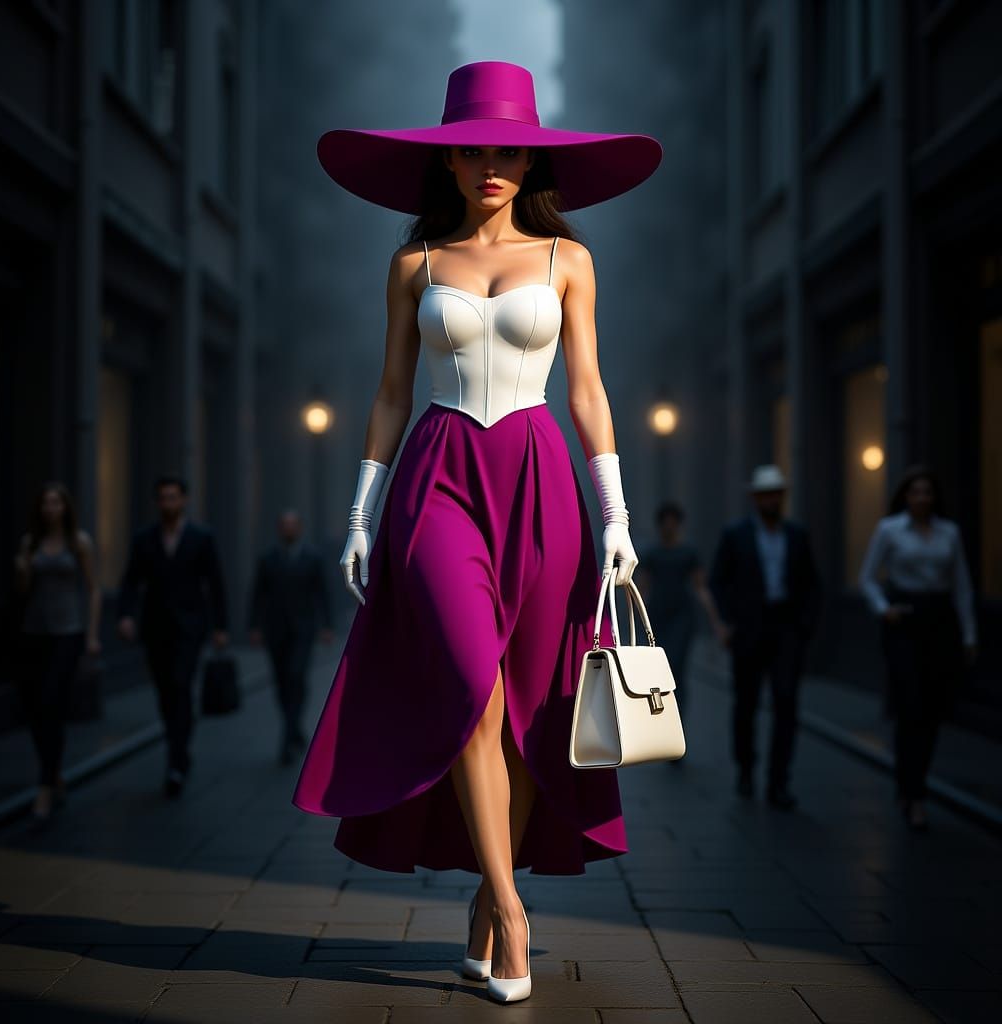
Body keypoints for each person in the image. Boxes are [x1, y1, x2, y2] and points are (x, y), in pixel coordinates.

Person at [292, 61, 662, 1003]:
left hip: (543, 481)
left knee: (534, 702)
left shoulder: (568, 260)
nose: (491, 162)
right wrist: (359, 513)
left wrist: (616, 514)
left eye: (508, 148)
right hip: (438, 478)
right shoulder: (413, 264)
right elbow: (387, 393)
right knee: (470, 682)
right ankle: (510, 907)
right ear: (447, 160)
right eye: (472, 147)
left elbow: (586, 391)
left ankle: (484, 912)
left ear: (529, 158)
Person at [858, 464, 977, 831]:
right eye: (916, 491)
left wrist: (969, 635)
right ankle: (912, 791)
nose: (922, 498)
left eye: (928, 492)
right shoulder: (889, 529)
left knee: (932, 709)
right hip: (904, 621)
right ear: (905, 496)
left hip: (939, 622)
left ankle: (914, 783)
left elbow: (961, 586)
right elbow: (867, 578)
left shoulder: (950, 533)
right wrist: (884, 609)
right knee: (910, 705)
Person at [708, 464, 822, 810]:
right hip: (749, 629)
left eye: (776, 493)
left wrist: (805, 626)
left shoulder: (797, 534)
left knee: (786, 703)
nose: (771, 499)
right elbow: (717, 581)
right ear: (755, 498)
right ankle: (746, 767)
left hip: (786, 629)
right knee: (746, 703)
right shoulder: (736, 534)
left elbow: (811, 583)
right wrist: (727, 623)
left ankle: (778, 782)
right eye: (765, 494)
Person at [117, 475, 229, 798]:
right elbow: (130, 580)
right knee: (166, 692)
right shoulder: (144, 539)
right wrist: (125, 615)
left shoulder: (201, 538)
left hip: (190, 628)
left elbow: (216, 584)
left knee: (181, 685)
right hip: (155, 629)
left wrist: (221, 627)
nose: (168, 503)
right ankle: (177, 746)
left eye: (173, 497)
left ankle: (176, 760)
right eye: (162, 498)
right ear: (157, 502)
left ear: (184, 500)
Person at [13, 482, 101, 822]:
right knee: (35, 711)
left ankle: (44, 788)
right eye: (46, 503)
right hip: (34, 633)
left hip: (68, 632)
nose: (52, 508)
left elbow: (93, 590)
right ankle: (55, 775)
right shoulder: (29, 543)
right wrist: (21, 571)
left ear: (66, 507)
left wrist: (93, 635)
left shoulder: (79, 541)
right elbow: (21, 592)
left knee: (52, 703)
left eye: (57, 503)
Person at [248, 509, 336, 764]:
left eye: (292, 525)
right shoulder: (268, 559)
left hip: (303, 629)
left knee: (296, 675)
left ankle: (286, 740)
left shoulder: (313, 558)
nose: (288, 530)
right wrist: (254, 626)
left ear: (300, 528)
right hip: (275, 630)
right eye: (284, 525)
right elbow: (258, 594)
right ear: (279, 529)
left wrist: (327, 625)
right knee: (281, 682)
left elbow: (323, 593)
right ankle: (295, 727)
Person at [636, 500, 723, 726]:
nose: (669, 527)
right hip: (657, 618)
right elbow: (642, 589)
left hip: (682, 618)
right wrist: (636, 619)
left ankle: (677, 722)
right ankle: (663, 720)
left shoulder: (688, 552)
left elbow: (701, 588)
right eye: (665, 523)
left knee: (677, 668)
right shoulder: (652, 553)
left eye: (673, 523)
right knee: (659, 671)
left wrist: (716, 624)